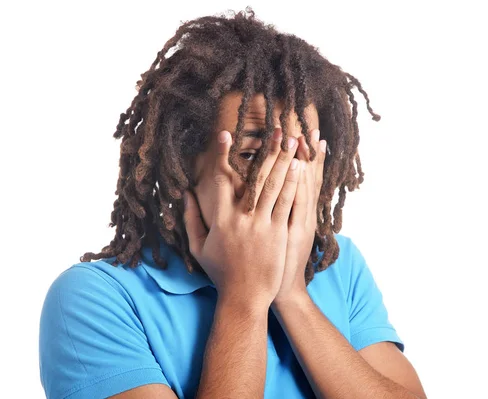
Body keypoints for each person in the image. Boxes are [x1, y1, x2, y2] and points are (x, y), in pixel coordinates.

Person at [39, 7, 427, 399]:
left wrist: (292, 295)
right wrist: (245, 298)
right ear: (184, 164)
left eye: (301, 154)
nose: (285, 178)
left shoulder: (339, 266)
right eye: (251, 154)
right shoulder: (95, 299)